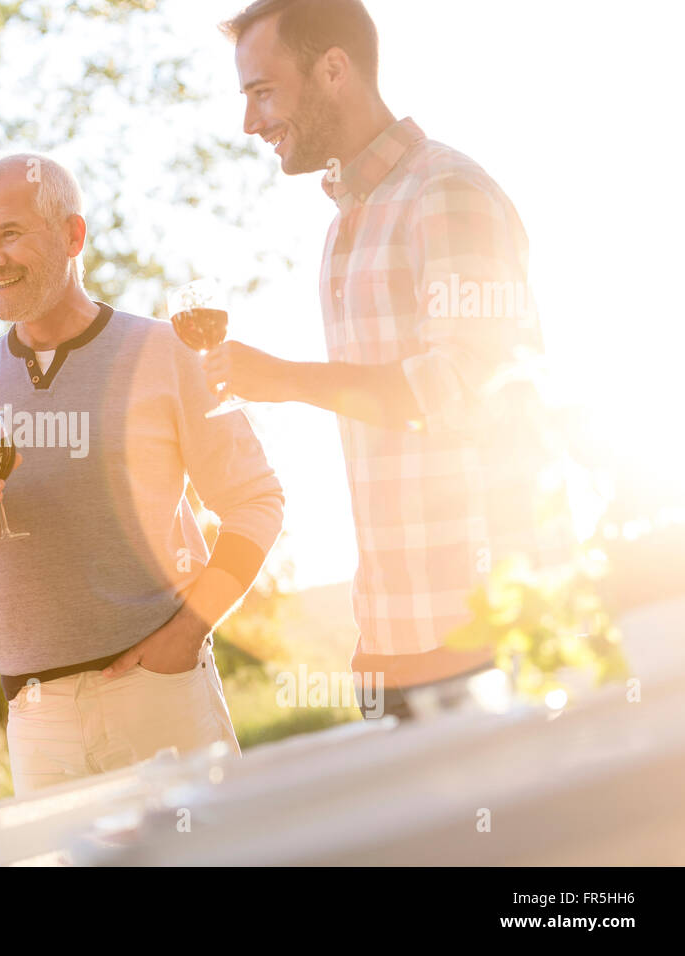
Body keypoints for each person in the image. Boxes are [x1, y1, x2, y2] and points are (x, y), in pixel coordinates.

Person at [208, 0, 569, 717]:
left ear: (334, 70)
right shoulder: (348, 224)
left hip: (481, 628)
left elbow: (463, 387)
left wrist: (282, 380)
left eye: (262, 91)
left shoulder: (446, 193)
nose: (250, 122)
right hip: (389, 638)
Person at [0, 154, 285, 795]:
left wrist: (186, 633)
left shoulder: (166, 353)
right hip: (36, 722)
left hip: (159, 696)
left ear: (72, 236)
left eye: (9, 233)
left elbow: (256, 499)